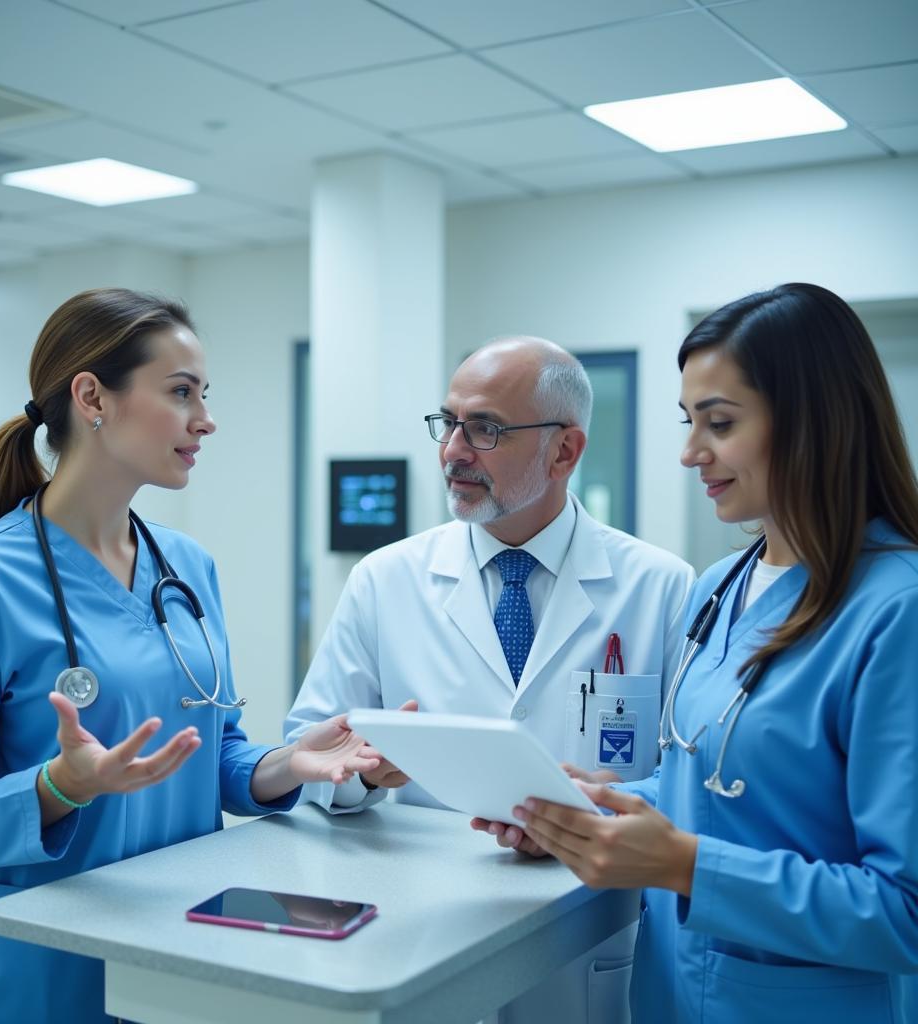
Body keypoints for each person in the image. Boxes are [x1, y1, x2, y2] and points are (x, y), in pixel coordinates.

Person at [0, 288, 380, 1024]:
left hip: (176, 958)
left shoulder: (188, 569)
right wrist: (58, 787)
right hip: (37, 976)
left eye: (204, 394)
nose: (205, 419)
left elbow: (210, 754)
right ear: (92, 396)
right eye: (181, 392)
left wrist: (293, 764)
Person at [514, 283, 918, 1023]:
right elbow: (717, 788)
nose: (690, 453)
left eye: (720, 424)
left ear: (815, 421)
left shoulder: (897, 611)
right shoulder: (720, 586)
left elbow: (906, 911)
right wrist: (595, 810)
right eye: (688, 421)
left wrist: (683, 865)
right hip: (671, 996)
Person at [285, 336, 695, 1023]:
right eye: (447, 422)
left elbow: (688, 781)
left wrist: (588, 810)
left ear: (565, 451)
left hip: (586, 941)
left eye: (485, 428)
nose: (452, 450)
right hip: (425, 938)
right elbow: (308, 751)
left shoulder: (661, 588)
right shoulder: (384, 581)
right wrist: (355, 770)